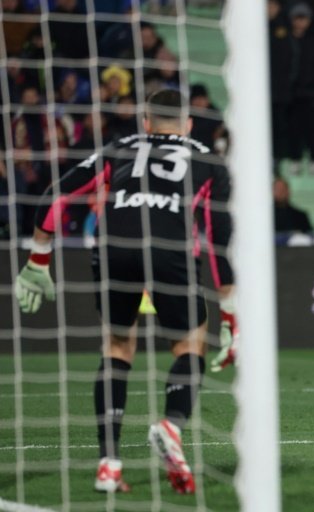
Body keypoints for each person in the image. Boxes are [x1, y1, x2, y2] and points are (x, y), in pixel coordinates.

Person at [13, 90, 238, 494]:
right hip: (169, 250)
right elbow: (217, 239)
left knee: (117, 347)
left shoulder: (120, 147)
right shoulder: (208, 159)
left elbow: (54, 196)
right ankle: (171, 424)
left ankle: (109, 465)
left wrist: (38, 261)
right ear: (187, 124)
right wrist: (230, 308)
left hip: (114, 248)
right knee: (190, 344)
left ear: (146, 123)